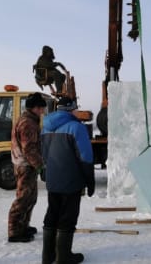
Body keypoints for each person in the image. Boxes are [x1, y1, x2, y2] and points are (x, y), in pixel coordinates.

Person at [41, 97, 95, 264]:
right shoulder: (77, 128)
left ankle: (48, 256)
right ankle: (64, 257)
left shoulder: (45, 128)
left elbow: (44, 155)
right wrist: (90, 181)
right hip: (71, 182)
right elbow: (86, 158)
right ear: (72, 109)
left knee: (52, 214)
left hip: (53, 181)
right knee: (68, 217)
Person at [7, 92, 47, 243]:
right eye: (41, 108)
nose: (43, 111)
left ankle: (23, 225)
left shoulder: (29, 120)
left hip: (26, 164)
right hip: (25, 165)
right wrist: (40, 167)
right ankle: (14, 231)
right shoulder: (28, 123)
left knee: (31, 197)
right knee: (23, 198)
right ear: (35, 108)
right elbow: (29, 149)